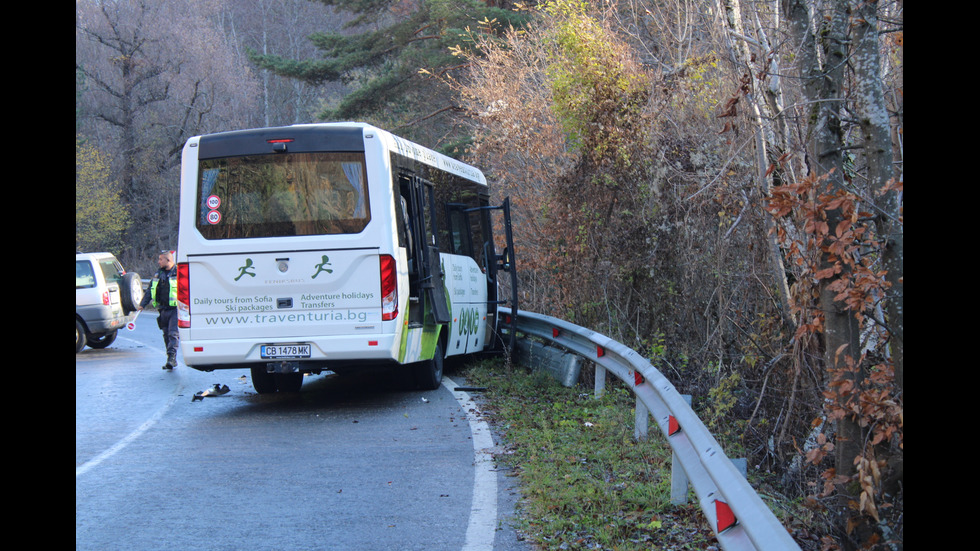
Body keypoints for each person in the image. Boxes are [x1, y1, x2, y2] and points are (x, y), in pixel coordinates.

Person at [140, 250, 179, 369]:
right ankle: (170, 358)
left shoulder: (178, 273)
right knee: (166, 334)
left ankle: (172, 358)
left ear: (168, 260)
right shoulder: (158, 274)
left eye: (161, 259)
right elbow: (150, 290)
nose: (158, 262)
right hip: (162, 309)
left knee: (173, 334)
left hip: (174, 309)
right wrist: (142, 304)